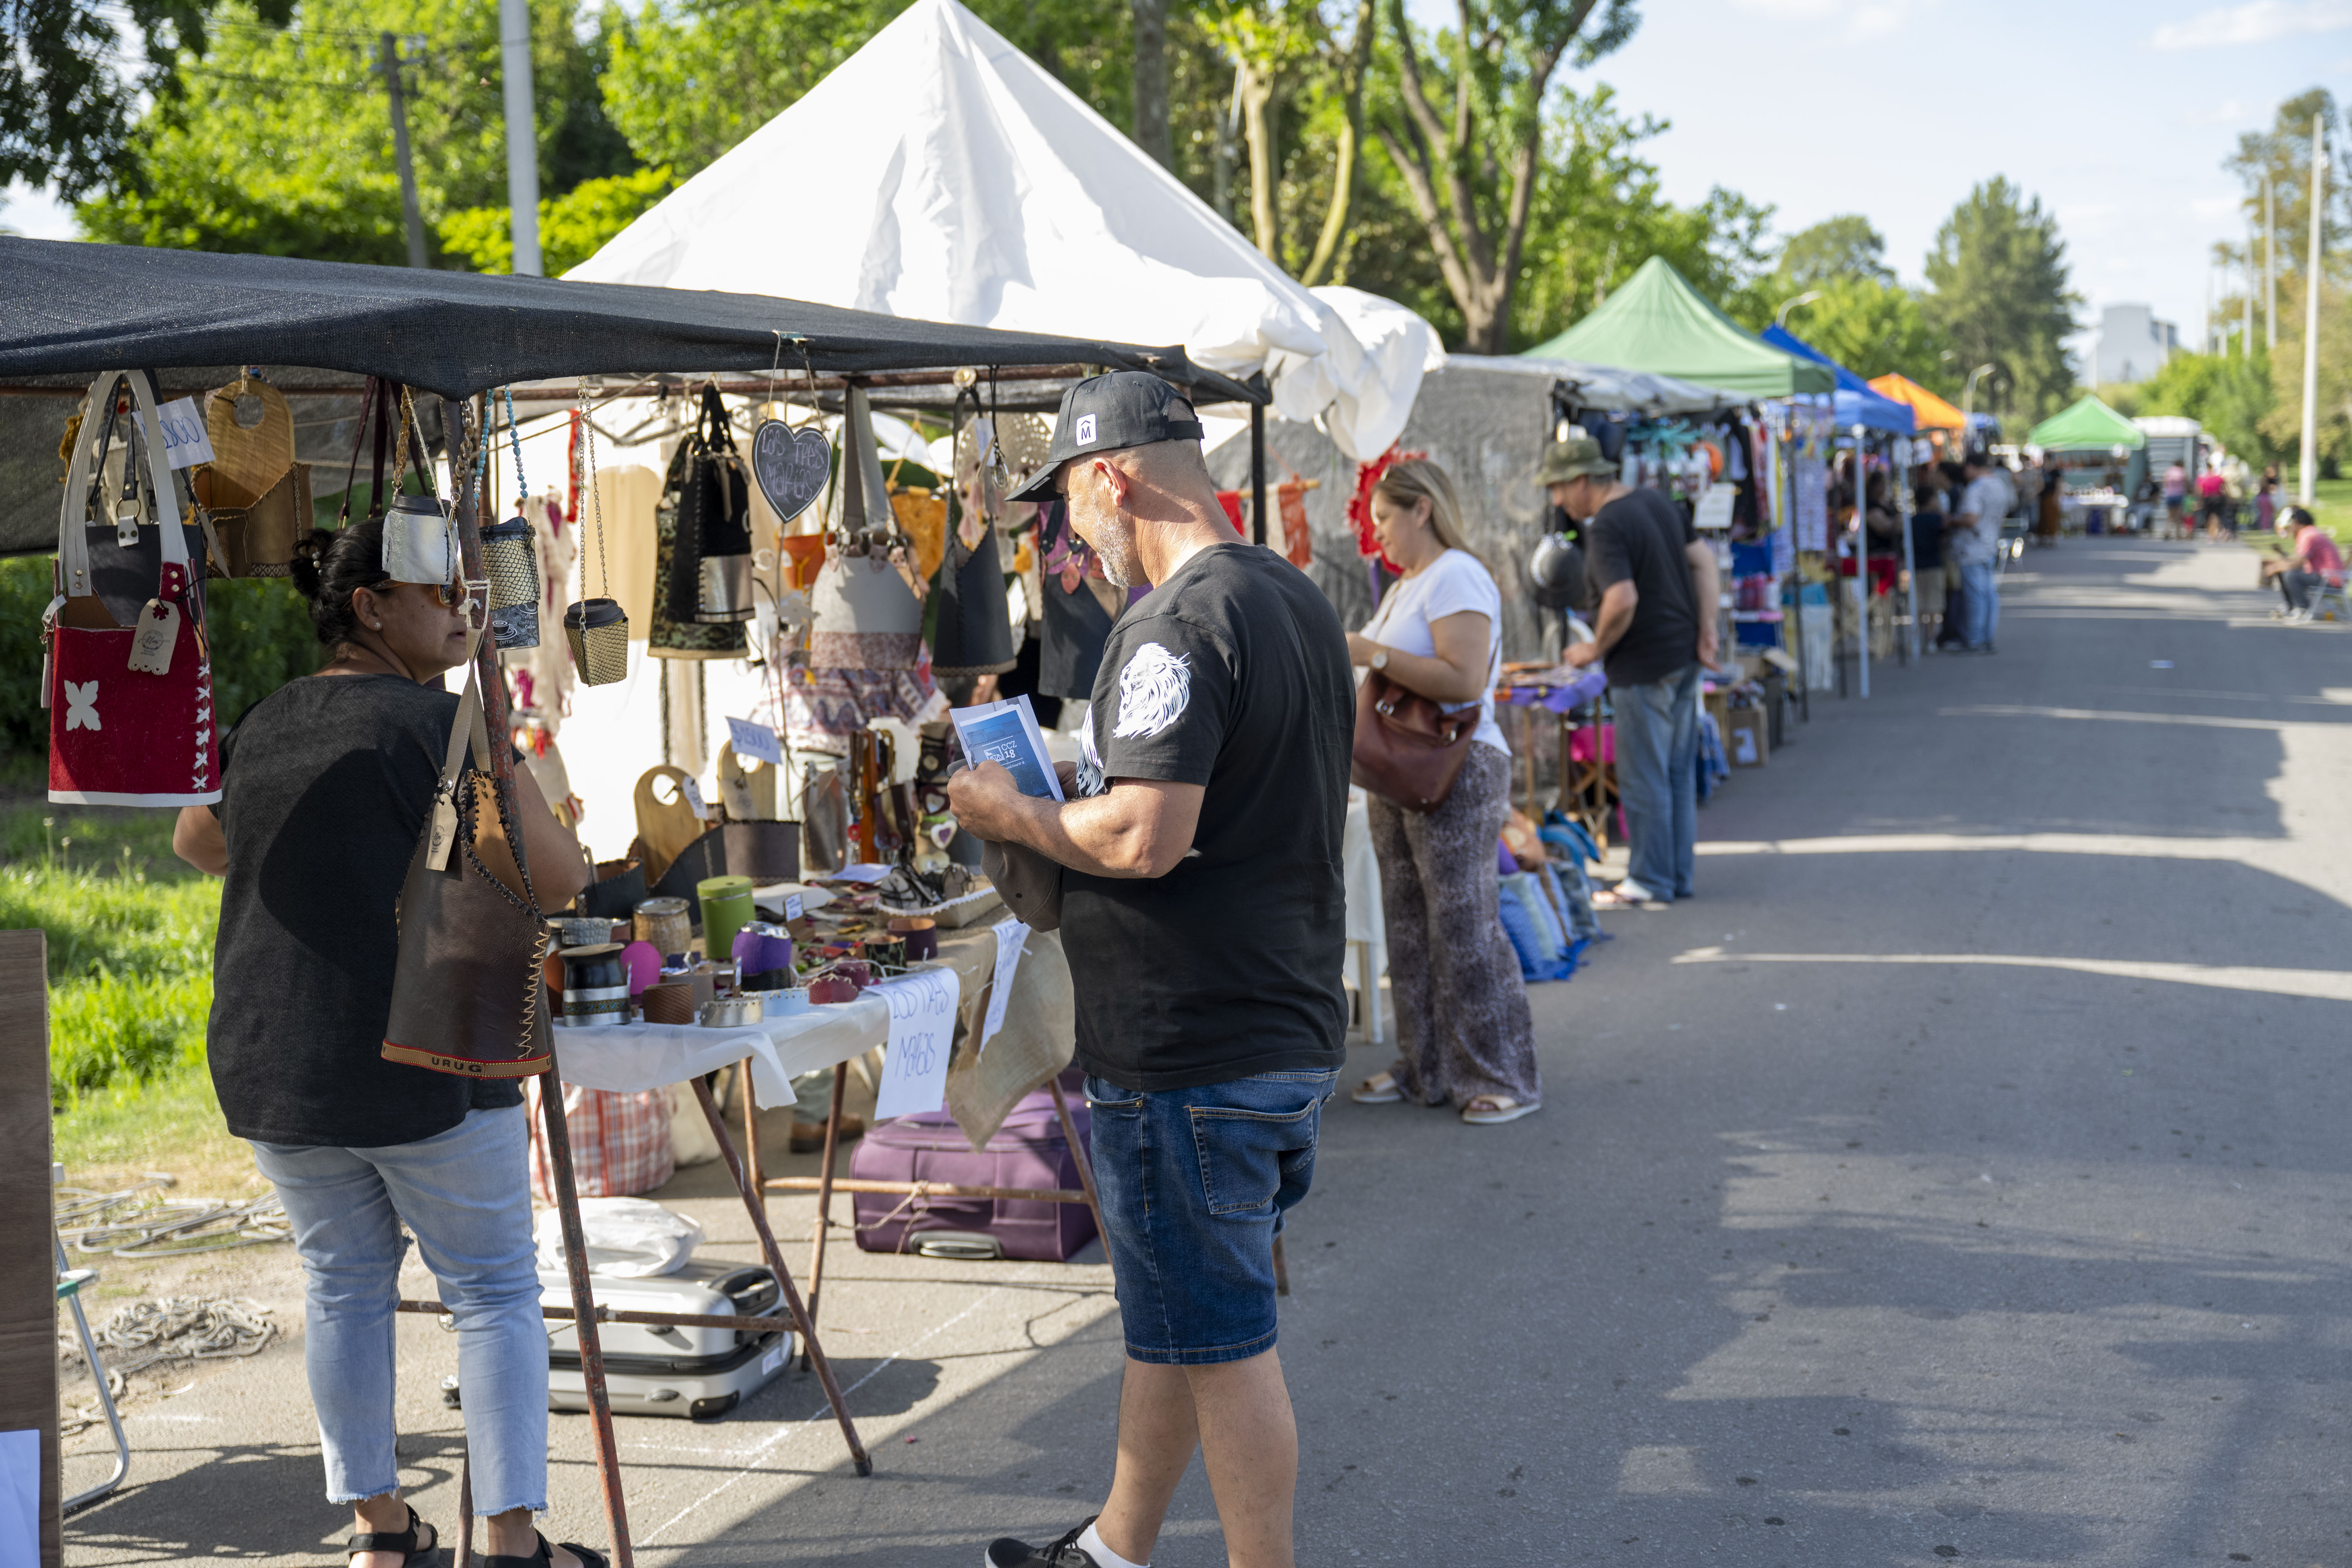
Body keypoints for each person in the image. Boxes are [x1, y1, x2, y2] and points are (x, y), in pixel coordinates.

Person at [949, 372, 1353, 1568]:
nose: (1074, 538)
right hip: (1261, 1022)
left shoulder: (1174, 622)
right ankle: (1117, 1546)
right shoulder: (1289, 594)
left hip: (1194, 1046)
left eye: (1071, 506)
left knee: (1222, 1336)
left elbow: (1144, 835)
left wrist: (1011, 811)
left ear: (1112, 476)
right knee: (1178, 1316)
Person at [171, 518, 599, 1568]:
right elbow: (560, 879)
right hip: (426, 1058)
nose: (463, 607)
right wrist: (500, 742)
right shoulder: (439, 725)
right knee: (493, 1291)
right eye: (437, 591)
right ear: (369, 607)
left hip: (280, 1060)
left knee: (343, 1284)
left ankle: (380, 1536)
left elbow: (196, 841)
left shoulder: (273, 717)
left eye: (465, 589)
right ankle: (506, 1544)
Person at [1342, 457, 1541, 1125]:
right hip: (1402, 770)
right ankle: (1425, 1065)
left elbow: (1462, 679)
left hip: (1455, 768)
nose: (1378, 537)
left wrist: (1368, 652)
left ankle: (1501, 1073)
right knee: (1408, 922)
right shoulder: (1408, 584)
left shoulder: (1457, 573)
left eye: (1384, 519)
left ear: (1420, 508)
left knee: (1463, 923)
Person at [1545, 434, 1719, 909]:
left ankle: (1649, 880)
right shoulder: (1657, 502)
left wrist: (1593, 650)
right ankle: (1674, 876)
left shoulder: (1606, 525)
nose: (1557, 500)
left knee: (1645, 776)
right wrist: (1708, 630)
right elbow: (1704, 562)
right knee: (1677, 774)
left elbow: (1622, 598)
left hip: (1644, 664)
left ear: (1582, 481)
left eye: (1559, 488)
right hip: (1682, 655)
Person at [1949, 451, 2012, 653]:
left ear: (1970, 467)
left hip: (1972, 547)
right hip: (1989, 543)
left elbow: (1971, 519)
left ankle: (1975, 639)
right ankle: (1986, 637)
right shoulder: (1999, 484)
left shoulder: (1976, 488)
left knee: (1976, 596)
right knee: (1989, 594)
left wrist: (1952, 520)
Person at [2268, 507, 2344, 620]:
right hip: (2330, 578)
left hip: (2330, 580)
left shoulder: (2308, 535)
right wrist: (2280, 560)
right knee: (2286, 572)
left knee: (2291, 575)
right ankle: (2292, 606)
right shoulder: (2312, 532)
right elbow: (2298, 561)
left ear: (2297, 523)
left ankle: (2302, 608)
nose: (2290, 528)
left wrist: (2276, 567)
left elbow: (2297, 564)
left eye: (2291, 524)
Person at [2197, 464, 2228, 539]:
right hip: (2218, 498)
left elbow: (2200, 490)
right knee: (2217, 515)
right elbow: (2224, 487)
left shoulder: (2203, 478)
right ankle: (2216, 531)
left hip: (2208, 498)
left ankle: (2211, 534)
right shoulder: (2218, 478)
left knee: (2209, 516)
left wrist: (2200, 500)